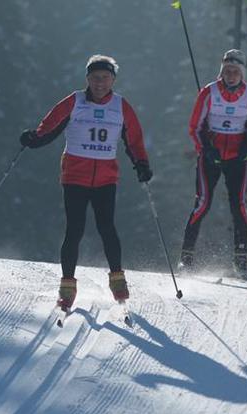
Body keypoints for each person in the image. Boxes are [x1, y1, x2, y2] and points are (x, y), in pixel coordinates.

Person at [19, 54, 153, 311]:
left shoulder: (122, 106)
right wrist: (33, 138)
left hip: (105, 178)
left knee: (107, 228)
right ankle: (67, 287)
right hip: (75, 176)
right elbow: (50, 126)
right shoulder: (75, 101)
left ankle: (118, 280)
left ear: (113, 79)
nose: (99, 83)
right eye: (94, 78)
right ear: (87, 79)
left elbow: (134, 140)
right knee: (74, 230)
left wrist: (142, 164)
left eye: (105, 78)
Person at [178, 49, 247, 277]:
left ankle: (241, 260)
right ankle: (186, 258)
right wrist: (204, 149)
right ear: (222, 71)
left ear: (242, 73)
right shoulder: (209, 92)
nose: (231, 75)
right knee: (203, 203)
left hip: (237, 158)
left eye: (235, 71)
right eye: (227, 71)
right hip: (211, 157)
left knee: (239, 205)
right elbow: (194, 126)